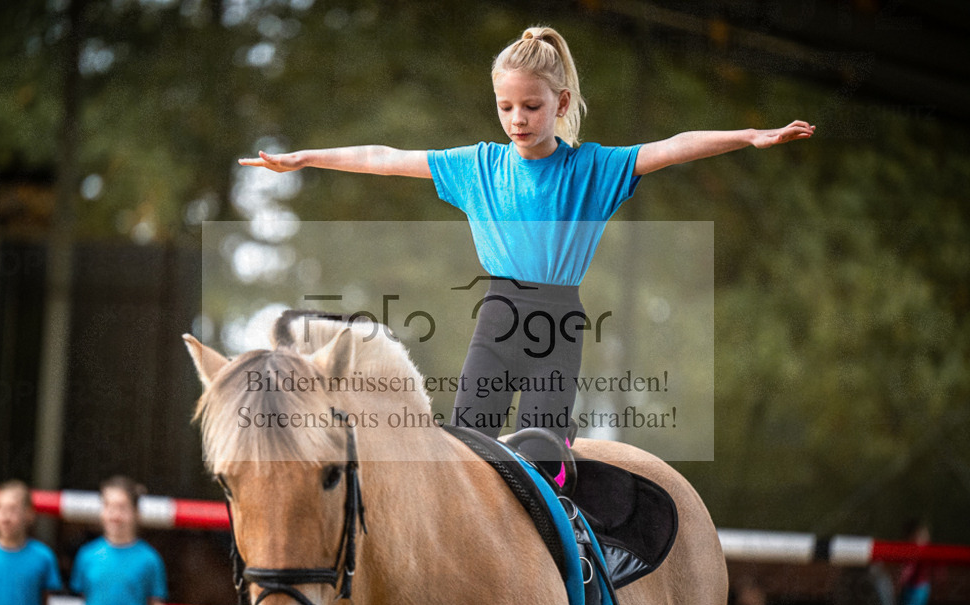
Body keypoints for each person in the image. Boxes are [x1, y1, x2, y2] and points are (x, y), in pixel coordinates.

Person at [239, 26, 815, 467]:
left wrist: (748, 136)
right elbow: (383, 158)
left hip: (560, 322)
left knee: (542, 458)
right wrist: (306, 157)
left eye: (532, 107)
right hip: (498, 315)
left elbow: (673, 145)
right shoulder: (479, 167)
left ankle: (566, 563)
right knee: (466, 447)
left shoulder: (593, 168)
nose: (517, 118)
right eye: (505, 107)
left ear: (561, 105)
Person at [68, 475, 168, 605]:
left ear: (136, 513)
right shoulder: (87, 554)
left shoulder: (149, 559)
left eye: (122, 507)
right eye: (109, 506)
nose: (115, 515)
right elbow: (82, 593)